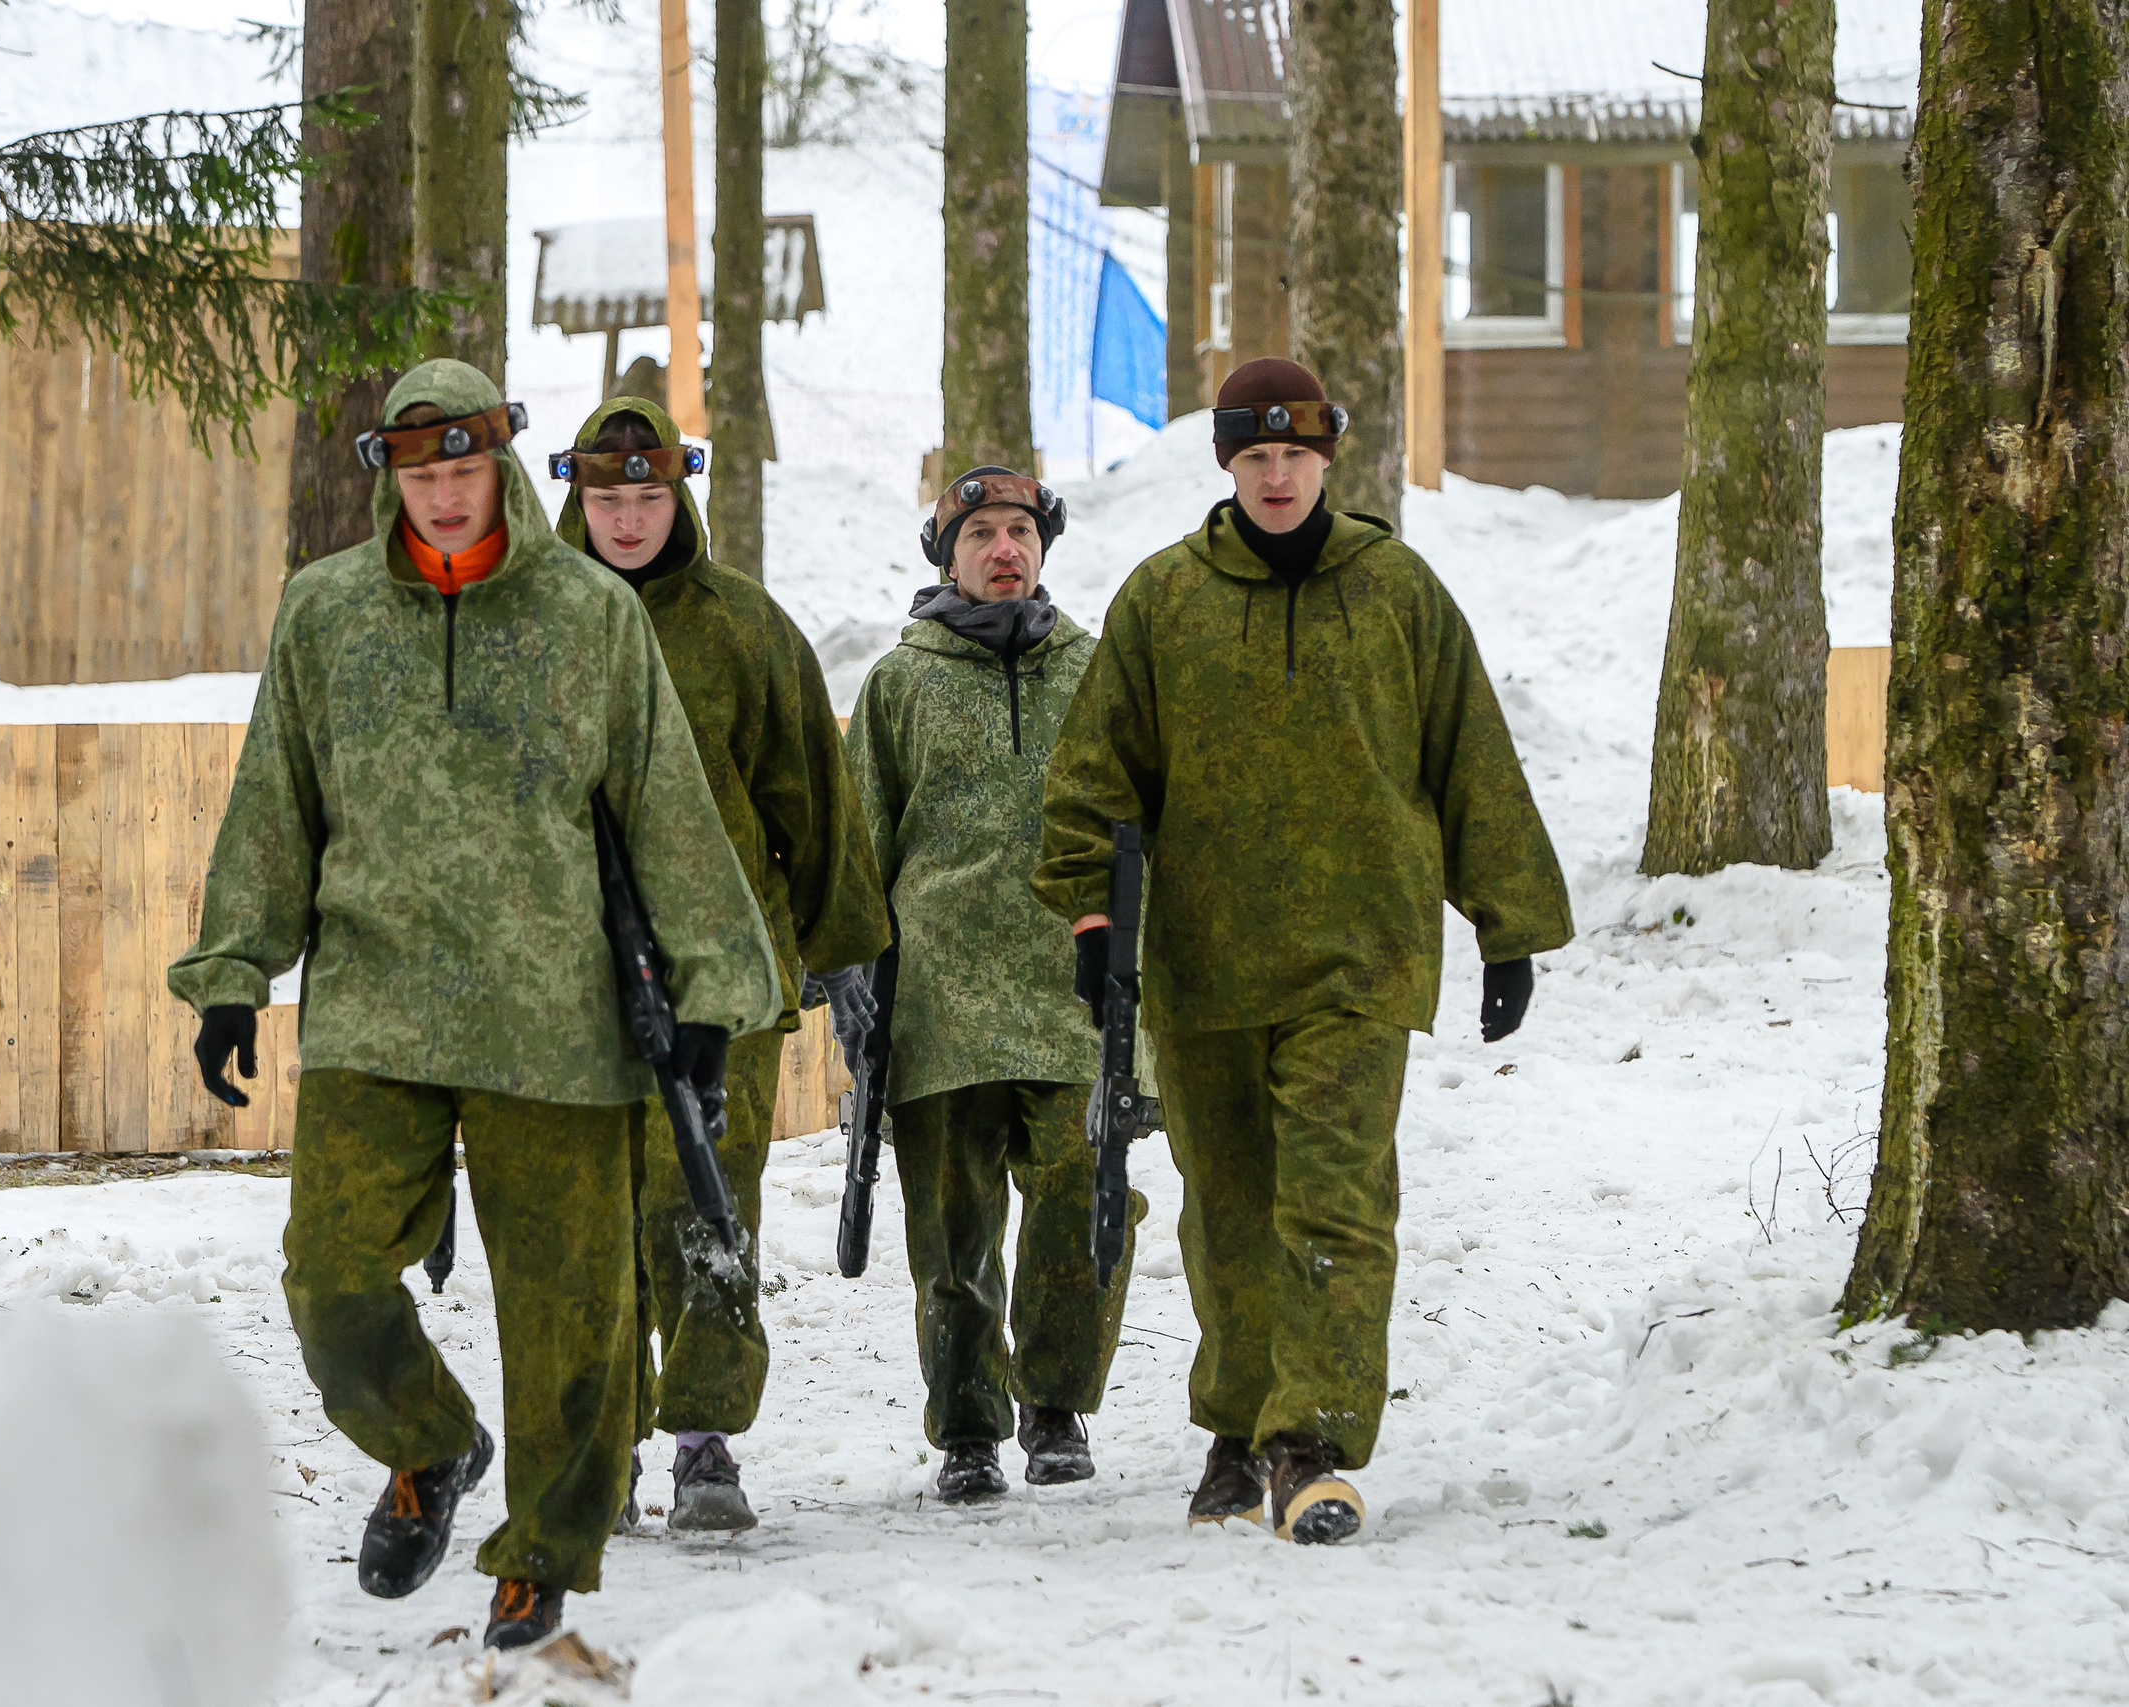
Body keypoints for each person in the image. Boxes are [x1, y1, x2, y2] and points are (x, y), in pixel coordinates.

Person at [170, 359, 781, 1649]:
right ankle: (429, 1441)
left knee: (572, 1306)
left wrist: (716, 986)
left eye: (463, 471)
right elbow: (276, 802)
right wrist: (234, 972)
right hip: (375, 1007)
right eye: (419, 474)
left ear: (501, 463)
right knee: (330, 1278)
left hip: (551, 1017)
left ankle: (545, 1550)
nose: (444, 498)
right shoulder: (325, 613)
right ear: (388, 477)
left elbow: (668, 807)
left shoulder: (586, 616)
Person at [1035, 357, 1574, 1544]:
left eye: (1295, 454)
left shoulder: (1396, 591)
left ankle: (1307, 1444)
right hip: (1206, 961)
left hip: (1359, 956)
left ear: (1328, 457)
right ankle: (1234, 1428)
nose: (1276, 475)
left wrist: (1509, 926)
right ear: (1226, 463)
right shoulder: (1162, 602)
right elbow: (1092, 780)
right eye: (1253, 455)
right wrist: (1092, 921)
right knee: (1226, 1213)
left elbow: (1469, 759)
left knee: (1334, 1204)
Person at [552, 399, 892, 1534]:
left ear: (679, 496)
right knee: (590, 1217)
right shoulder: (531, 627)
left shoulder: (745, 628)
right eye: (609, 499)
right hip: (567, 977)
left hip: (725, 975)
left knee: (707, 1198)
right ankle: (602, 1448)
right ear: (576, 500)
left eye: (650, 497)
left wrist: (839, 953)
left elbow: (815, 798)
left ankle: (703, 1440)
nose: (630, 518)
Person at [844, 466, 1138, 1504]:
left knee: (1082, 1198)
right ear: (947, 556)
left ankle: (1055, 1408)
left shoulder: (1097, 673)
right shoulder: (899, 684)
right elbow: (857, 840)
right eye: (981, 534)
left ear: (1043, 549)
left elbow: (1142, 828)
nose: (1004, 549)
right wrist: (846, 976)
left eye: (1020, 530)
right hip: (939, 1003)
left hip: (1074, 992)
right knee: (951, 1230)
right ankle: (968, 1428)